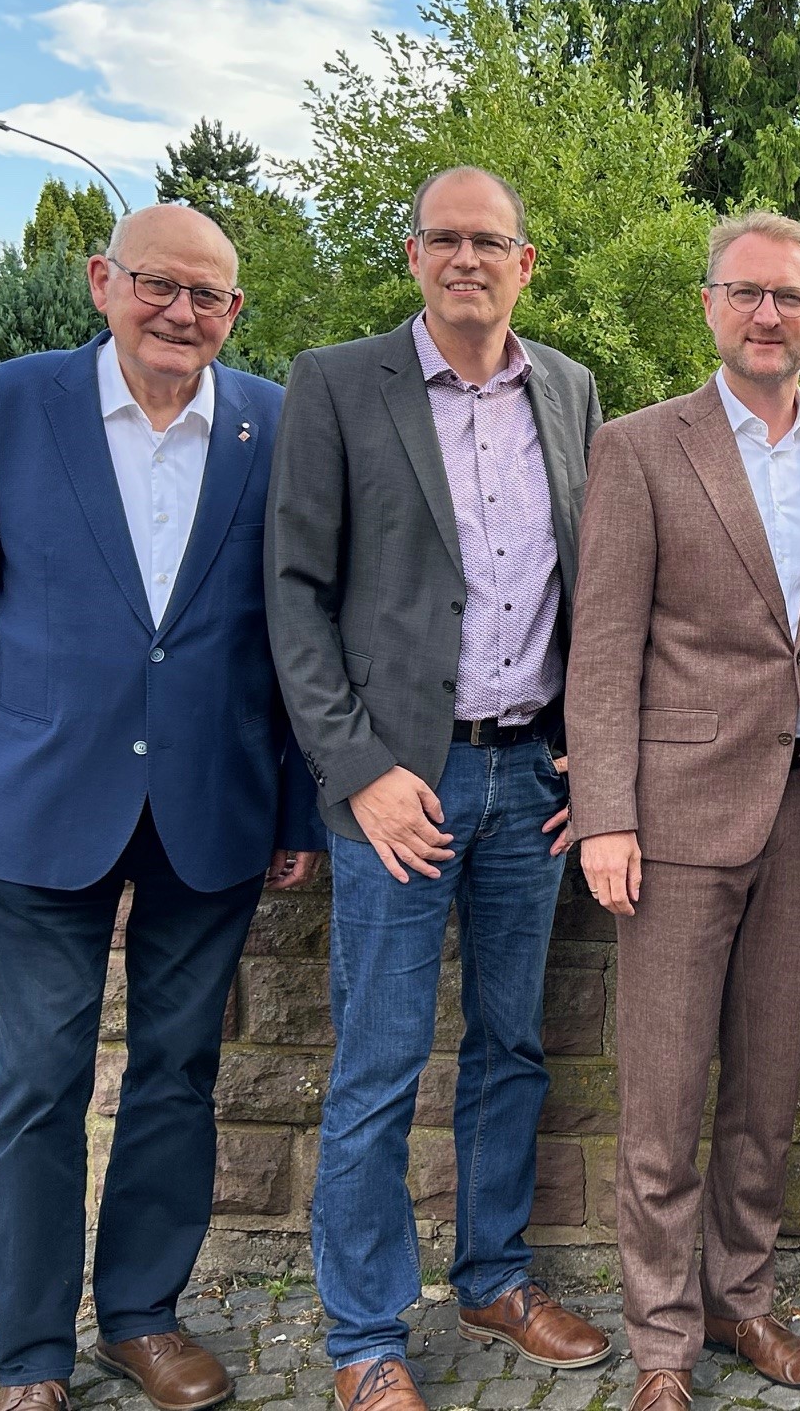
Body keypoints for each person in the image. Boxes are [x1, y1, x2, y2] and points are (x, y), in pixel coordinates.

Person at [0, 205, 323, 1411]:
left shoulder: (273, 424)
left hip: (214, 805)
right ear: (105, 280)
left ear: (234, 312)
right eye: (158, 284)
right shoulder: (7, 407)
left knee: (177, 1074)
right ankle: (31, 1356)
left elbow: (298, 633)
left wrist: (297, 811)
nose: (180, 312)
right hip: (38, 805)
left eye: (208, 296)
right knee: (40, 1084)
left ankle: (142, 1317)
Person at [265, 168, 608, 1411]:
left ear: (526, 262)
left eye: (490, 241)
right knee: (380, 1059)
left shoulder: (569, 389)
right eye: (445, 238)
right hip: (400, 784)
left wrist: (592, 751)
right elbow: (294, 595)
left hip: (532, 777)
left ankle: (494, 1278)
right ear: (413, 256)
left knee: (511, 1045)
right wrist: (359, 774)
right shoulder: (335, 383)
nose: (469, 258)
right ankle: (365, 1339)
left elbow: (596, 587)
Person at [567, 210, 800, 1411]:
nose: (768, 314)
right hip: (672, 820)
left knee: (766, 1089)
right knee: (663, 1098)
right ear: (710, 305)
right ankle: (663, 1343)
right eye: (746, 292)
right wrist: (605, 814)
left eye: (790, 297)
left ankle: (740, 1300)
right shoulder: (638, 449)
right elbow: (602, 650)